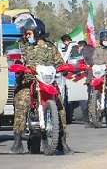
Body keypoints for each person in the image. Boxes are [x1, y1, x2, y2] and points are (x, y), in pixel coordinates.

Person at [9, 18, 74, 155]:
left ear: (37, 32)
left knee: (60, 107)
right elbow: (16, 58)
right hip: (28, 80)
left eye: (29, 34)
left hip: (48, 81)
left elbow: (59, 62)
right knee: (22, 102)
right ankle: (18, 141)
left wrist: (65, 68)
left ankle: (62, 142)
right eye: (26, 34)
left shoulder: (51, 47)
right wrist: (19, 65)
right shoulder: (23, 46)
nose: (27, 37)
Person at [86, 29, 107, 128]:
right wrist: (104, 62)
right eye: (103, 38)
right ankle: (92, 114)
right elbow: (94, 59)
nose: (105, 39)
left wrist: (104, 63)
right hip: (98, 73)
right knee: (91, 89)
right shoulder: (97, 49)